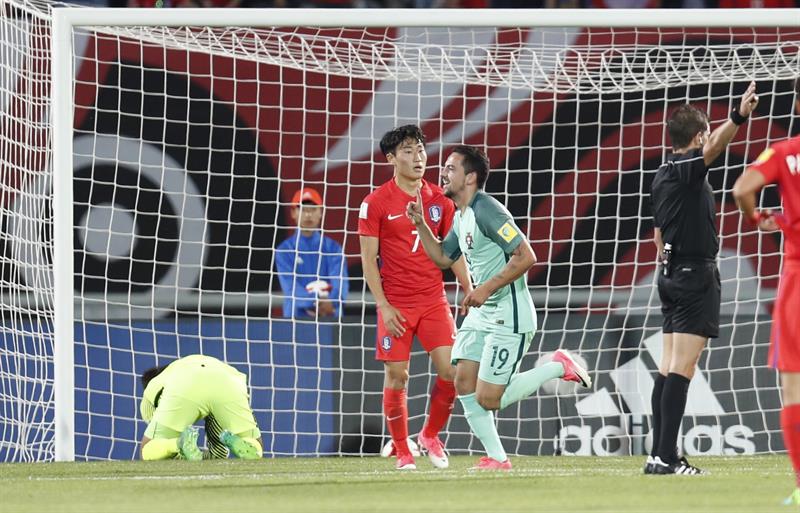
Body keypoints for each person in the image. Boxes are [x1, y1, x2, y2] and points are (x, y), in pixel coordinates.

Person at [407, 144, 591, 470]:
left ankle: (558, 366)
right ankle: (498, 457)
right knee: (461, 380)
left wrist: (485, 289)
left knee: (489, 398)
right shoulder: (462, 216)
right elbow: (441, 257)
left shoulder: (487, 210)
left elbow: (527, 256)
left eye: (451, 168)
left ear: (471, 177)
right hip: (482, 312)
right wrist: (421, 223)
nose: (443, 173)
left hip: (509, 313)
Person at [646, 82, 759, 476]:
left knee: (668, 366)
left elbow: (658, 234)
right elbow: (712, 151)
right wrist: (739, 117)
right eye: (707, 131)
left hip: (672, 274)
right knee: (682, 367)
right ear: (697, 136)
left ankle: (658, 454)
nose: (710, 138)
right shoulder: (686, 170)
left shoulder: (662, 173)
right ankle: (664, 457)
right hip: (693, 276)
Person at [358, 125, 472, 470]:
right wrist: (383, 305)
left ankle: (429, 435)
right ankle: (401, 449)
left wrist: (469, 290)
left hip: (433, 300)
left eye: (421, 149)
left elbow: (453, 253)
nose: (418, 156)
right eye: (408, 151)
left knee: (452, 371)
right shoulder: (375, 202)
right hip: (396, 303)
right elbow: (367, 259)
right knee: (398, 376)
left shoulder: (440, 200)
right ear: (392, 158)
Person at [732, 77, 800, 505]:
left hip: (797, 276)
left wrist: (758, 217)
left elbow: (741, 188)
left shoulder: (785, 151)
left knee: (794, 388)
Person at [139, 354, 262, 461]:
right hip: (228, 382)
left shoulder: (154, 386)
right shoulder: (178, 367)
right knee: (255, 444)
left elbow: (160, 439)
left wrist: (179, 447)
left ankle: (179, 444)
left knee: (147, 447)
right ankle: (236, 442)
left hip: (183, 383)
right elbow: (214, 425)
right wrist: (216, 449)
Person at [275, 187, 349, 318]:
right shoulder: (284, 251)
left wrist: (331, 302)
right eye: (303, 209)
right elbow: (290, 287)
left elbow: (340, 282)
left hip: (330, 317)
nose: (308, 214)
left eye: (313, 209)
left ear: (321, 212)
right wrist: (314, 302)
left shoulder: (333, 248)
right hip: (296, 318)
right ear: (293, 213)